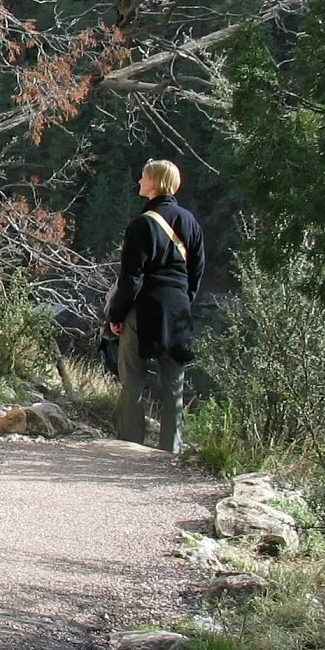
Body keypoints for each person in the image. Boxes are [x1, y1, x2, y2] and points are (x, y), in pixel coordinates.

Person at [106, 159, 206, 453]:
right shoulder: (191, 222)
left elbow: (131, 278)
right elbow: (197, 271)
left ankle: (131, 446)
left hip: (144, 307)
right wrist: (184, 301)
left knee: (133, 377)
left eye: (144, 176)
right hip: (178, 309)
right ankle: (170, 451)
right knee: (173, 383)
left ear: (155, 182)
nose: (139, 181)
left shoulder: (142, 224)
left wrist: (117, 313)